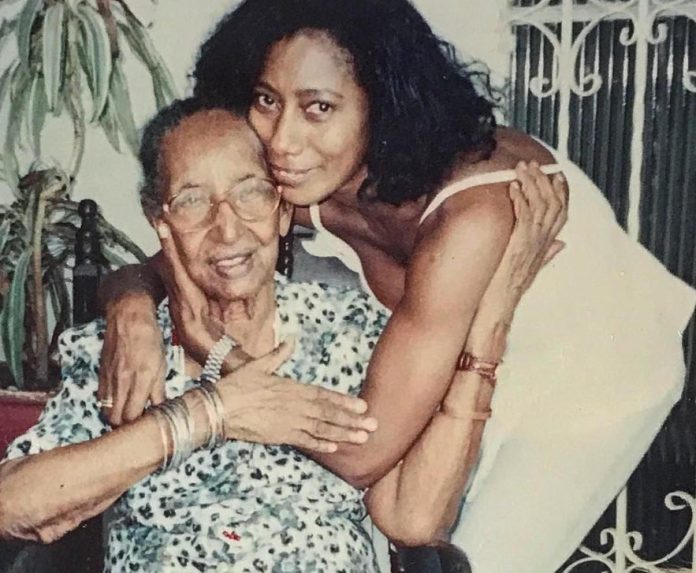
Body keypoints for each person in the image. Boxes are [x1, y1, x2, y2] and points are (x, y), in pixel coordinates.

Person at [95, 1, 696, 571]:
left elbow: (362, 452)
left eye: (318, 108)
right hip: (450, 358)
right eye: (266, 100)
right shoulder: (309, 180)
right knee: (389, 533)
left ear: (381, 104)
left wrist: (221, 357)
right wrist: (131, 308)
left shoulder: (473, 213)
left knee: (476, 561)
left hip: (589, 374)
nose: (281, 141)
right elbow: (174, 258)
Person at [0, 99, 554, 572]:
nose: (228, 228)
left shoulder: (349, 330)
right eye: (193, 201)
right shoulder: (124, 353)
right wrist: (207, 414)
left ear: (283, 212)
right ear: (160, 222)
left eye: (251, 194)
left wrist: (493, 318)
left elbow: (414, 518)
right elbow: (13, 505)